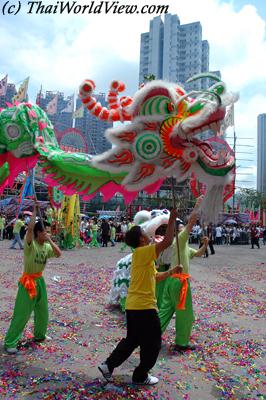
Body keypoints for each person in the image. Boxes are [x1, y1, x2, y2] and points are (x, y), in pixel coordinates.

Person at [98, 209, 181, 385]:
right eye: (146, 233)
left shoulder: (142, 256)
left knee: (132, 340)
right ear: (142, 239)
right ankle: (141, 375)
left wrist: (172, 271)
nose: (150, 235)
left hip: (134, 306)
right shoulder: (144, 252)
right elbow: (167, 241)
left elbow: (155, 277)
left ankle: (108, 365)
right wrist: (172, 220)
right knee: (153, 343)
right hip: (144, 307)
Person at [4, 203, 62, 354]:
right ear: (38, 233)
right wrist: (35, 211)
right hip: (28, 282)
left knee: (43, 311)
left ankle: (40, 335)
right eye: (46, 232)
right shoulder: (31, 244)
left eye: (49, 232)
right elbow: (30, 229)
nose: (48, 234)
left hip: (40, 281)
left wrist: (49, 240)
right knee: (22, 313)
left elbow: (58, 253)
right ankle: (10, 341)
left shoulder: (47, 246)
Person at [159, 212, 209, 352]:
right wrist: (197, 207)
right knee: (185, 314)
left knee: (165, 311)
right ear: (177, 231)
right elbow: (191, 224)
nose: (184, 228)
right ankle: (181, 342)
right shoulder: (180, 240)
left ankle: (151, 337)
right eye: (181, 227)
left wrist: (205, 245)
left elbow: (198, 254)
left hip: (172, 281)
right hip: (179, 282)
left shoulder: (184, 246)